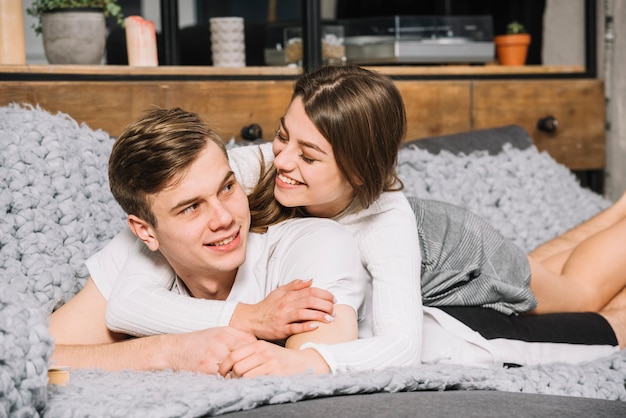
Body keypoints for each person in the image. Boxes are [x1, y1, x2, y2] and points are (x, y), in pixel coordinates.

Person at [103, 65, 625, 372]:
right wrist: (245, 318)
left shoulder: (385, 222)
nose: (282, 160)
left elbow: (402, 344)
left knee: (578, 290)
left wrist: (309, 362)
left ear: (356, 173)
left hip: (464, 256)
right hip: (434, 233)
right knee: (558, 261)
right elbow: (128, 300)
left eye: (309, 156)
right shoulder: (259, 165)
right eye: (284, 135)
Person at [50, 107, 373, 377]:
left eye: (227, 187)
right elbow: (34, 357)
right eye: (191, 207)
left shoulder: (315, 245)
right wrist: (166, 351)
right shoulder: (136, 255)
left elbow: (314, 385)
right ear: (145, 232)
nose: (224, 218)